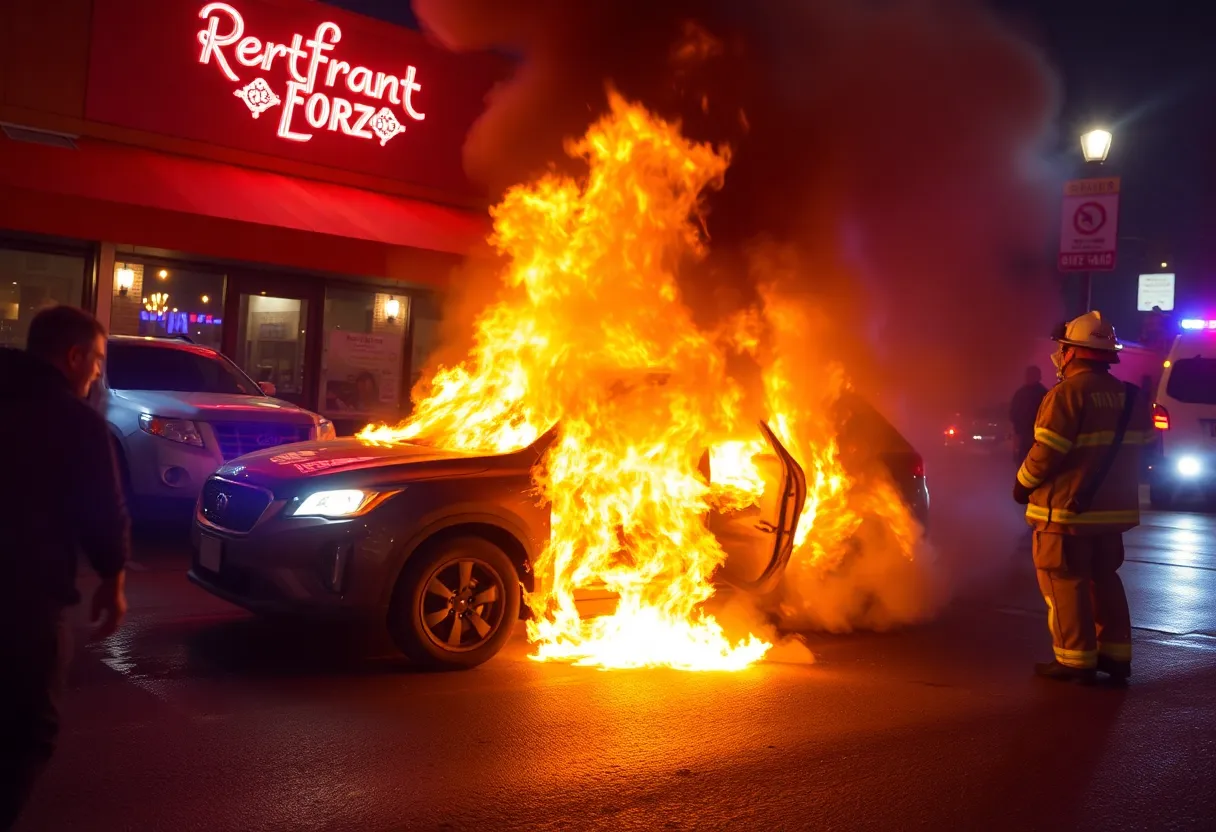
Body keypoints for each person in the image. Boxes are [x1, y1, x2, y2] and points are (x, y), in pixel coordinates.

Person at [0, 305, 130, 829]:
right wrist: (112, 579)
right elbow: (102, 508)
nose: (98, 373)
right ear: (73, 357)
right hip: (27, 599)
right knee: (29, 730)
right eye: (96, 361)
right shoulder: (75, 421)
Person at [1012, 311, 1149, 686]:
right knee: (1104, 578)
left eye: (1064, 347)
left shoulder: (1067, 394)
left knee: (1064, 582)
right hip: (1111, 514)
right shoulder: (1132, 398)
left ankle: (1075, 661)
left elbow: (1046, 452)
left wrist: (1022, 484)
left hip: (1066, 513)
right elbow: (1144, 450)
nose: (1060, 353)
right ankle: (1116, 656)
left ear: (1074, 352)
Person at [1009, 365, 1048, 465]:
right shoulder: (1044, 393)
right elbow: (1013, 414)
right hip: (1027, 436)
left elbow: (1013, 414)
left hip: (1036, 437)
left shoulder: (1043, 394)